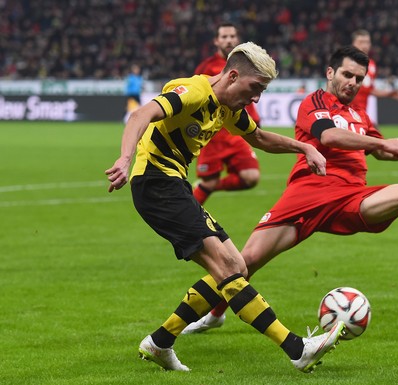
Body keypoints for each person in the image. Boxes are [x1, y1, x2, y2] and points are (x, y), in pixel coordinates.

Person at [182, 45, 398, 334]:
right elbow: (329, 136)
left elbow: (381, 148)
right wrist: (380, 142)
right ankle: (209, 316)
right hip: (309, 193)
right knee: (244, 263)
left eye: (359, 78)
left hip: (350, 196)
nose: (352, 83)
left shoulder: (359, 116)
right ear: (330, 72)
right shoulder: (313, 102)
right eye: (347, 75)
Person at [105, 42, 347, 373]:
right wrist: (124, 157)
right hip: (154, 183)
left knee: (237, 265)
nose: (257, 98)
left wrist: (304, 146)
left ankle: (161, 342)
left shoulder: (227, 108)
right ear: (233, 76)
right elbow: (141, 114)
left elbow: (259, 138)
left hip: (174, 184)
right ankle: (296, 348)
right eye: (255, 88)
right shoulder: (194, 91)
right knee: (228, 270)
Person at [192, 23, 262, 204]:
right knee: (209, 181)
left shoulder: (247, 65)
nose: (229, 40)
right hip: (213, 136)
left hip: (236, 133)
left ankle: (206, 187)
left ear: (237, 39)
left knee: (251, 177)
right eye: (224, 37)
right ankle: (181, 219)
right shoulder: (206, 68)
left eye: (232, 36)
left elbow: (249, 94)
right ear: (216, 41)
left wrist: (255, 121)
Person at [350, 29, 398, 114]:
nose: (365, 46)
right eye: (361, 42)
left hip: (361, 114)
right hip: (345, 114)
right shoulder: (345, 62)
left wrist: (389, 94)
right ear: (353, 44)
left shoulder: (371, 65)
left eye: (367, 42)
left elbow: (370, 90)